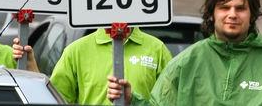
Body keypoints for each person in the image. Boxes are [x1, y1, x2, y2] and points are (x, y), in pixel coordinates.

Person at [107, 0, 262, 105]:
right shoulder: (185, 63)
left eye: (240, 8)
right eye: (224, 7)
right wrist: (131, 100)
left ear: (252, 15)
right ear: (212, 14)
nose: (232, 14)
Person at [13, 27, 172, 105]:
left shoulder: (157, 49)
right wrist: (33, 71)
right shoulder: (76, 51)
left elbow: (171, 102)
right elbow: (55, 100)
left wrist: (132, 100)